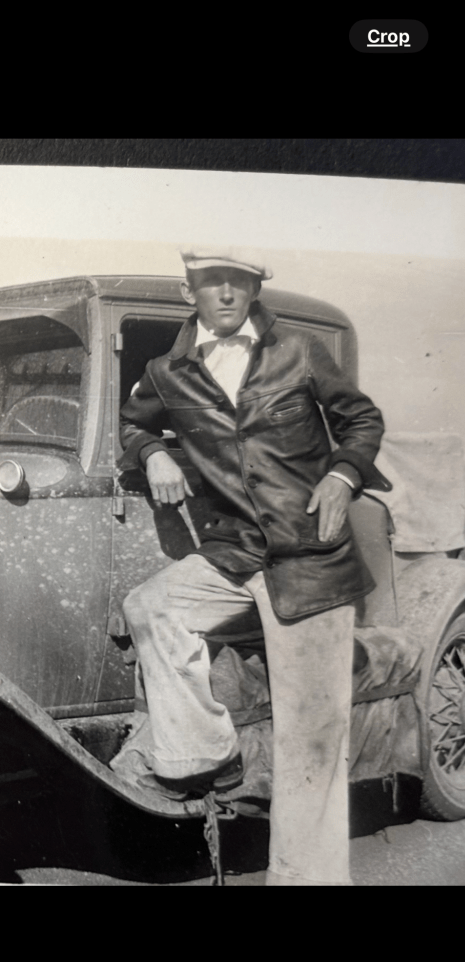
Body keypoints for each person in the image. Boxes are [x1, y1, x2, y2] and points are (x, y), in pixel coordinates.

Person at [117, 249, 391, 885]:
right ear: (189, 292)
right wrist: (153, 451)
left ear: (252, 291)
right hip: (235, 552)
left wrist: (343, 476)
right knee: (151, 607)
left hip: (311, 560)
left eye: (237, 282)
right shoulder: (166, 371)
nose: (225, 293)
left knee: (312, 739)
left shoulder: (298, 350)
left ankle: (307, 878)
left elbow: (361, 418)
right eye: (211, 282)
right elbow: (132, 425)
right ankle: (204, 750)